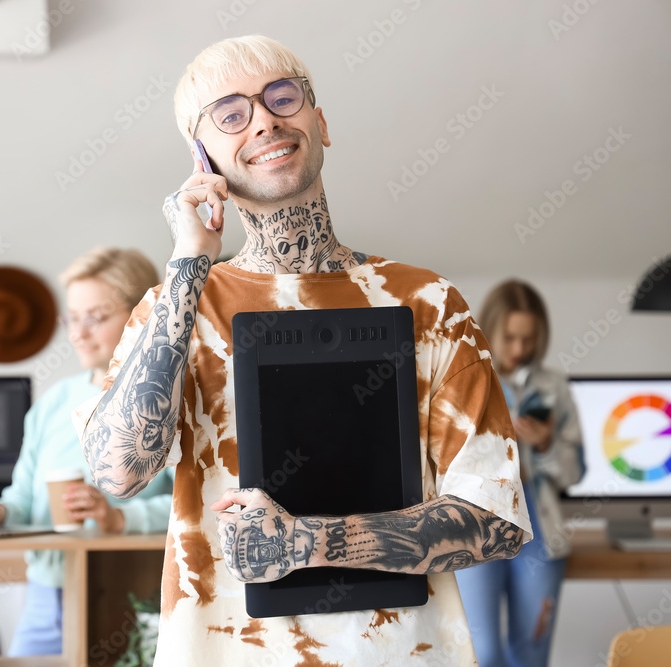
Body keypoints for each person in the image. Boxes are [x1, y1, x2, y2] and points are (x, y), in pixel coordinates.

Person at [74, 36, 534, 665]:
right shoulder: (175, 308)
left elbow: (497, 517)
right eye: (231, 114)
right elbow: (116, 472)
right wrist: (187, 265)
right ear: (203, 156)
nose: (264, 119)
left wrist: (308, 543)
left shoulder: (428, 301)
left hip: (403, 650)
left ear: (319, 123)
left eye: (281, 98)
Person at [0, 247, 174, 657]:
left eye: (95, 317)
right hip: (45, 595)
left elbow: (192, 507)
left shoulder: (170, 399)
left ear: (144, 311)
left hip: (136, 598)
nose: (76, 333)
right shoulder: (55, 403)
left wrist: (118, 518)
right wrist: (0, 512)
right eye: (72, 317)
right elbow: (21, 500)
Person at [455, 280, 584, 667]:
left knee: (531, 648)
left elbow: (575, 472)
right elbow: (439, 464)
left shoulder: (553, 387)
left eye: (528, 339)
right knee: (481, 653)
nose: (518, 350)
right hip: (477, 521)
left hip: (539, 527)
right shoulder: (464, 379)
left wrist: (544, 445)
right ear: (489, 329)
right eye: (509, 337)